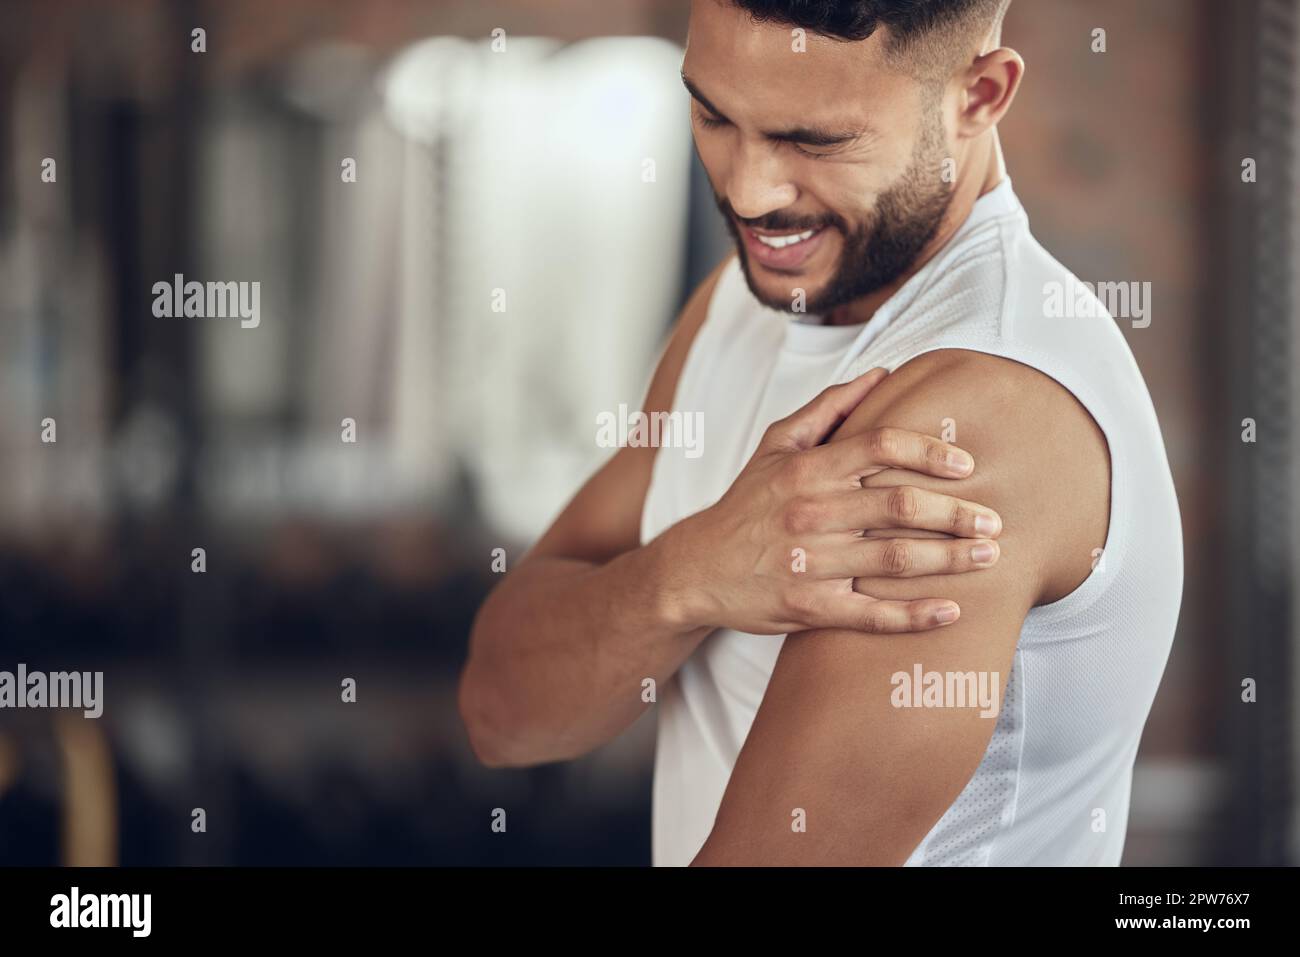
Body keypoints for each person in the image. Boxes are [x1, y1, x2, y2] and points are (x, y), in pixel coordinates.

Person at [459, 0, 1183, 866]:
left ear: (979, 96)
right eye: (715, 114)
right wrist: (688, 572)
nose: (749, 191)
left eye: (815, 141)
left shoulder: (975, 423)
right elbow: (502, 710)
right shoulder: (740, 302)